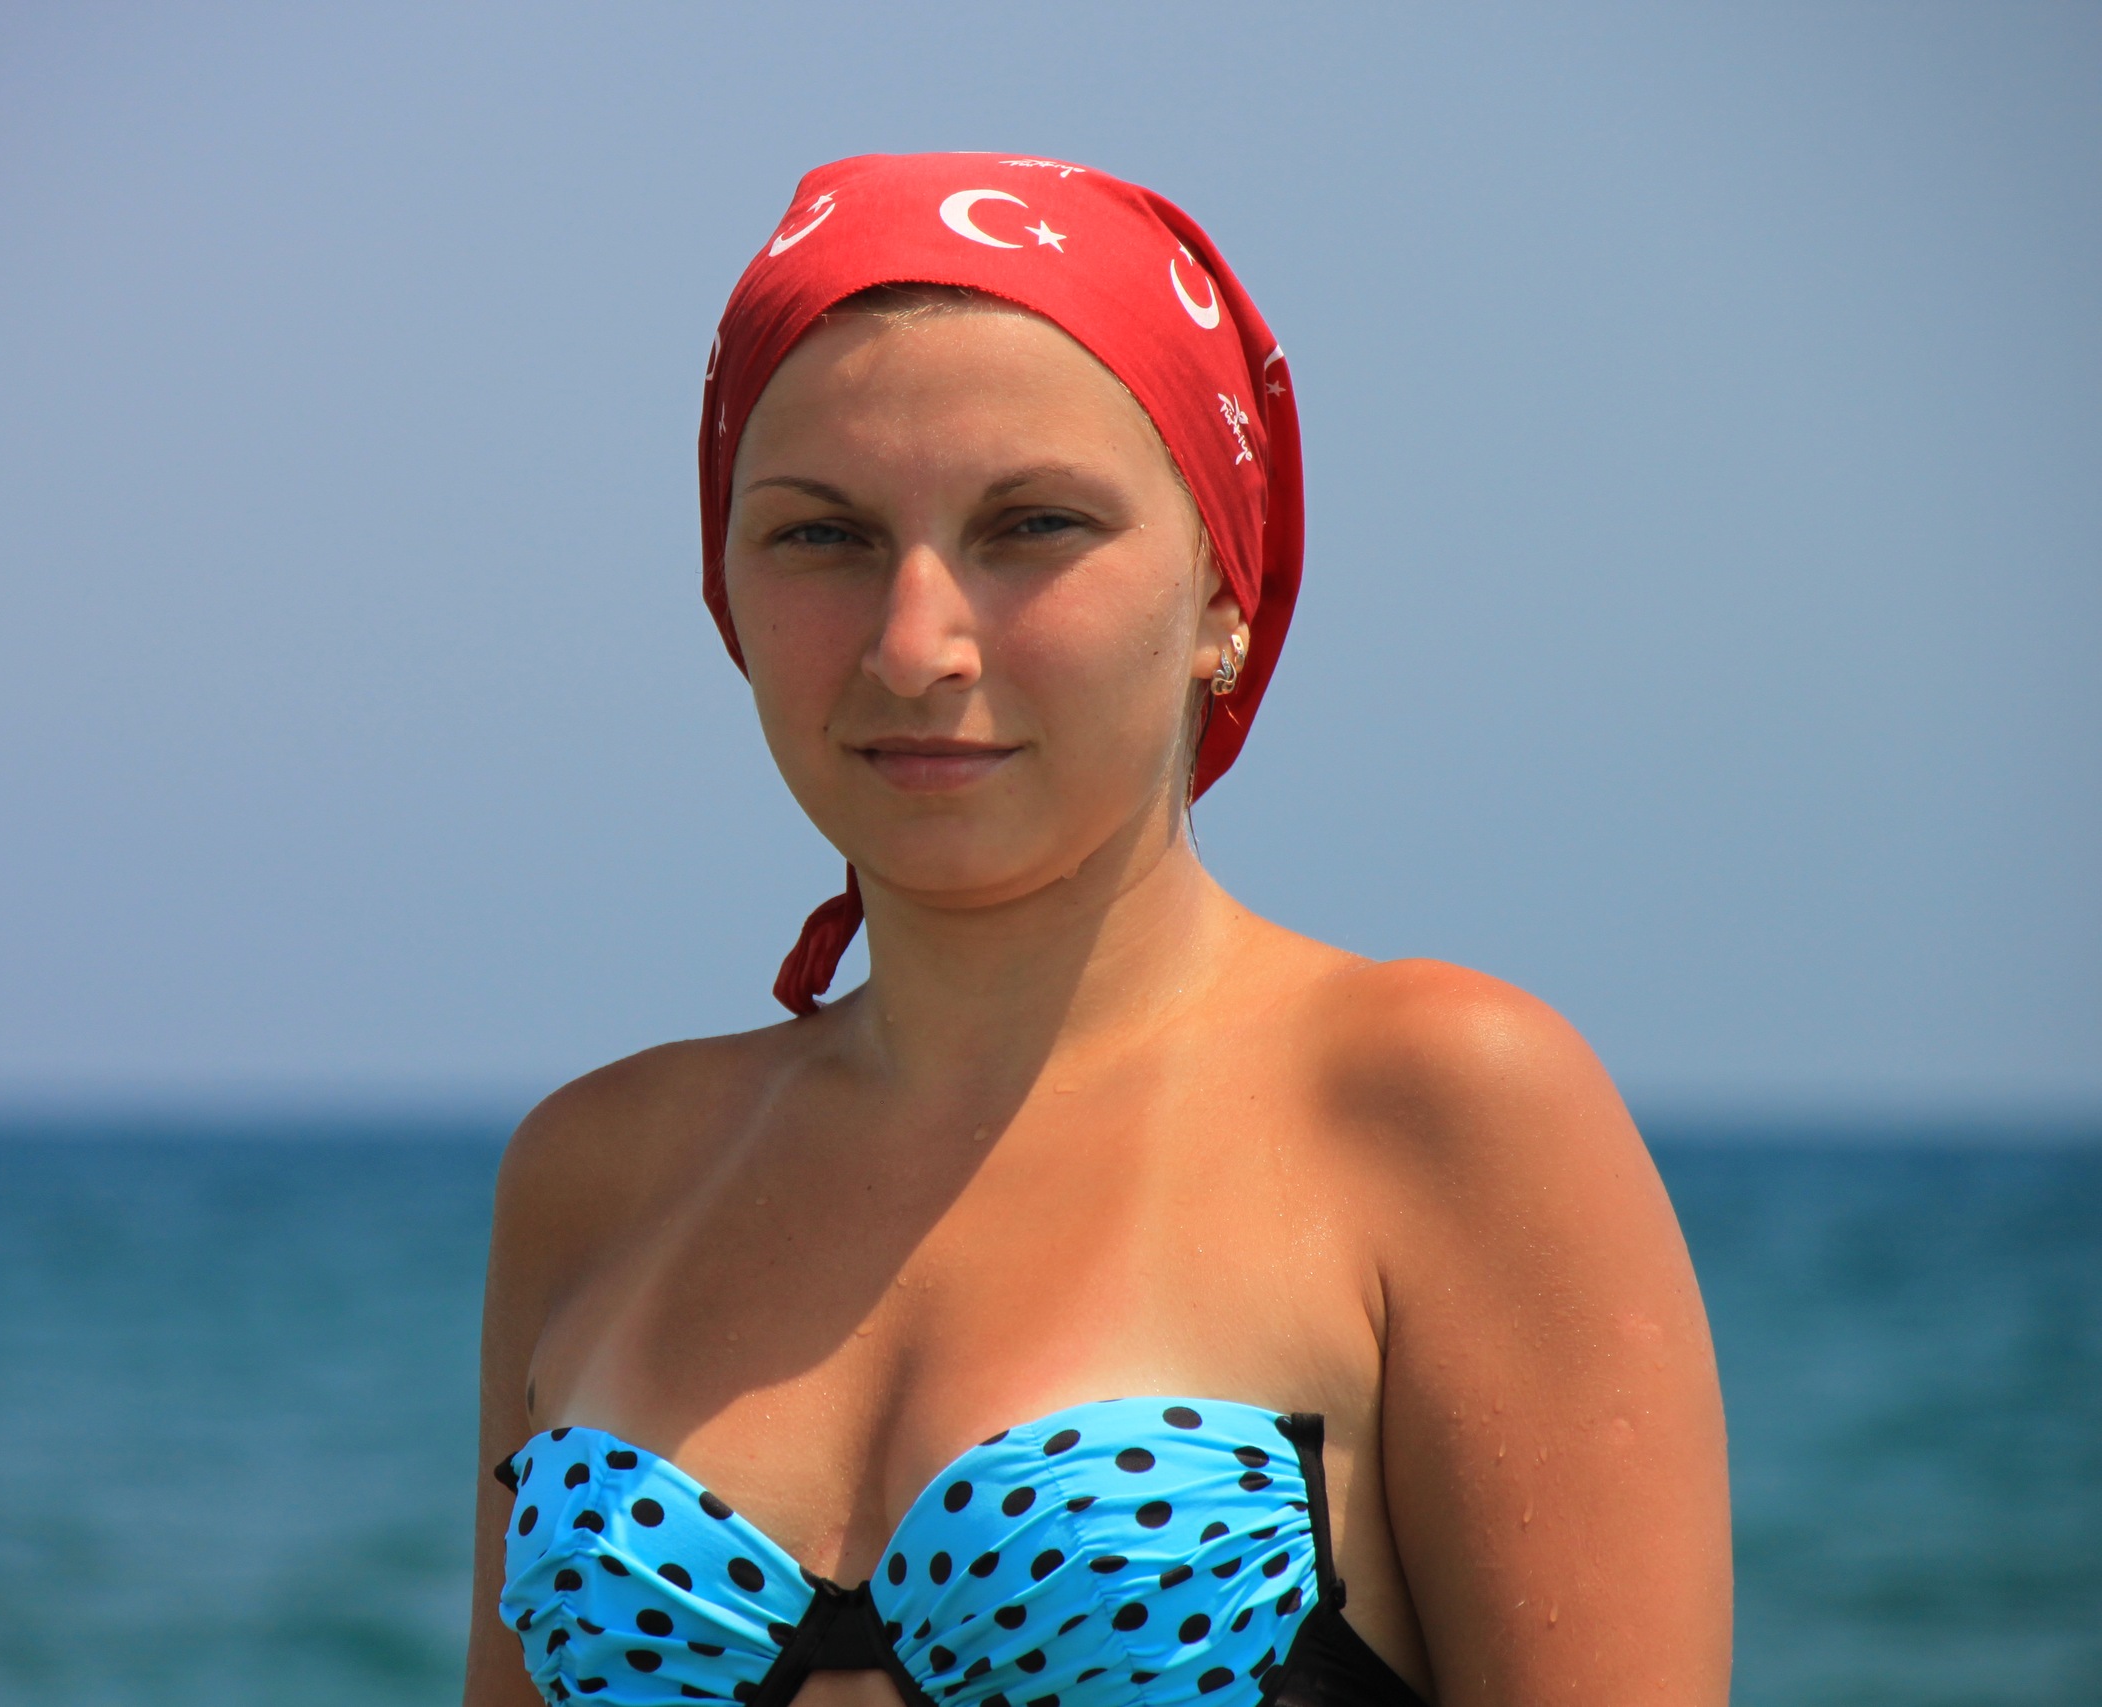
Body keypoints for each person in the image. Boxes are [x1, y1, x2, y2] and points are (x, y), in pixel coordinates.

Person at [465, 154, 1729, 1707]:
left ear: (1224, 594)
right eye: (821, 536)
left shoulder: (1439, 1107)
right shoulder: (599, 1175)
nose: (915, 645)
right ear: (724, 583)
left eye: (1034, 525)